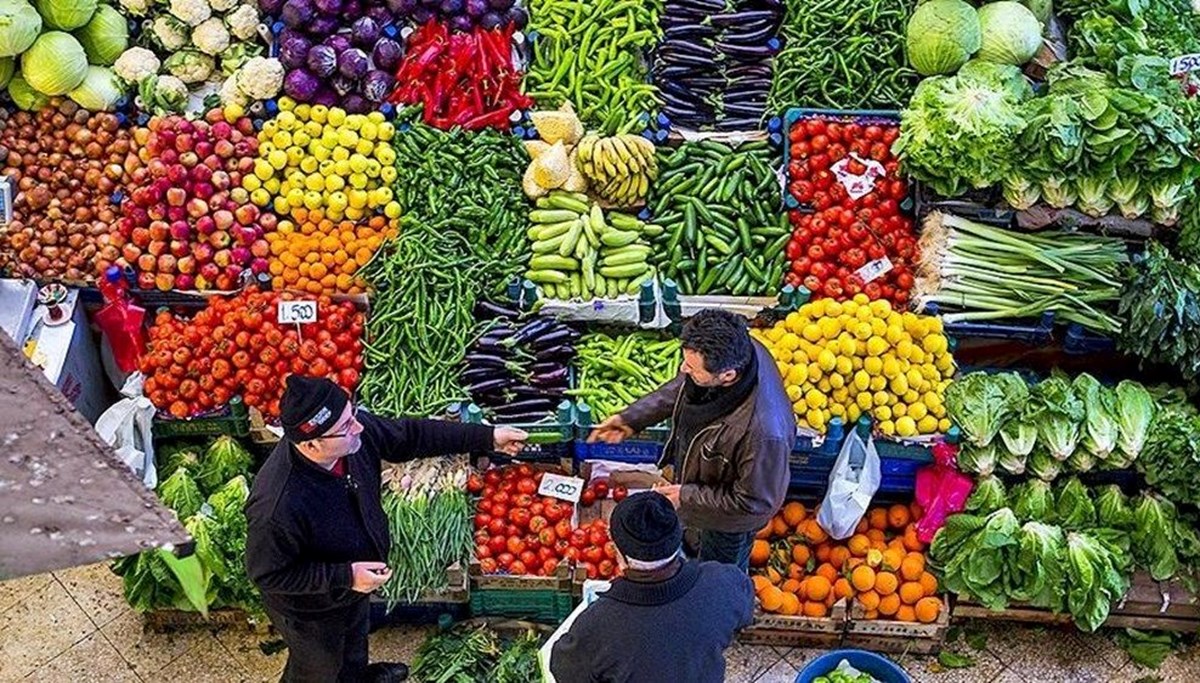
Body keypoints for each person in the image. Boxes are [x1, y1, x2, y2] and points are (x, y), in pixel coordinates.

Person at [245, 375, 528, 683]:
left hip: (353, 586)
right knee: (319, 666)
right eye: (346, 427)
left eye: (353, 414)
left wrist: (487, 436)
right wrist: (346, 576)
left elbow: (410, 435)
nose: (359, 428)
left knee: (354, 642)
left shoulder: (350, 436)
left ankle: (360, 676)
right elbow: (267, 574)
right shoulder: (277, 505)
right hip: (311, 609)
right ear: (311, 443)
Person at [588, 308, 792, 570]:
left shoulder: (764, 434)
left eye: (692, 368)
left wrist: (686, 495)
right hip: (706, 482)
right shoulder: (740, 348)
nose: (683, 369)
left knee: (719, 572)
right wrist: (633, 418)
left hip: (729, 523)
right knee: (696, 541)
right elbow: (685, 386)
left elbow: (754, 504)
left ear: (727, 376)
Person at [549, 492, 754, 683]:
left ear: (618, 553)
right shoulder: (725, 582)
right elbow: (744, 614)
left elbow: (564, 671)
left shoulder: (597, 625)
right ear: (677, 539)